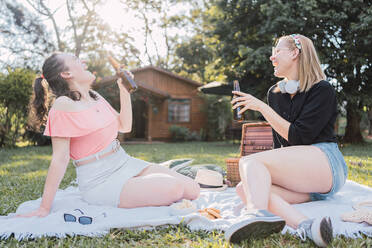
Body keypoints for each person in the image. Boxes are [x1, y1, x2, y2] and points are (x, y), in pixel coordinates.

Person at [18, 52, 200, 218]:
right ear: (66, 74)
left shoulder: (94, 96)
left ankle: (146, 185)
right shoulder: (63, 105)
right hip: (100, 180)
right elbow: (60, 159)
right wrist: (44, 207)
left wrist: (124, 90)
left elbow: (124, 126)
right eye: (75, 60)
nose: (83, 61)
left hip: (124, 162)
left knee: (193, 189)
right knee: (175, 188)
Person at [225, 34, 347, 247]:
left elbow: (300, 136)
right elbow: (280, 146)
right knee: (246, 189)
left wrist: (261, 107)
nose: (272, 57)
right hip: (303, 181)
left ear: (294, 53)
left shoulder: (322, 89)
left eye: (277, 51)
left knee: (250, 162)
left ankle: (254, 216)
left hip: (326, 166)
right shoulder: (275, 93)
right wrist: (258, 177)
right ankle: (307, 226)